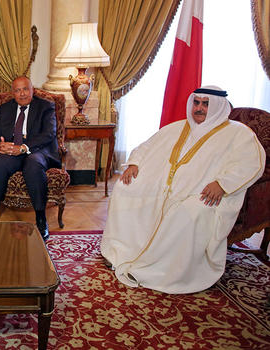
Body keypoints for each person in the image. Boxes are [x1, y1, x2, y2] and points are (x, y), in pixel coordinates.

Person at [100, 86, 265, 294]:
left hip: (206, 195)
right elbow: (147, 146)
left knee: (186, 213)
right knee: (125, 190)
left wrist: (223, 184)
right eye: (196, 103)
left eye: (206, 104)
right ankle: (121, 251)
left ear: (218, 106)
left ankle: (161, 270)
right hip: (164, 188)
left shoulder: (238, 133)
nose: (199, 108)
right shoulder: (178, 127)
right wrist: (134, 163)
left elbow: (252, 164)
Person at [0, 76, 60, 241]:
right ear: (13, 93)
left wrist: (24, 148)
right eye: (17, 90)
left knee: (33, 164)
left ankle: (40, 219)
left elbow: (49, 134)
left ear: (32, 90)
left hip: (36, 150)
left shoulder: (46, 106)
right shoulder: (5, 108)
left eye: (25, 89)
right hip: (12, 149)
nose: (22, 94)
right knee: (0, 162)